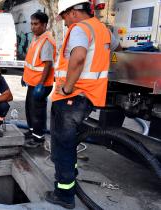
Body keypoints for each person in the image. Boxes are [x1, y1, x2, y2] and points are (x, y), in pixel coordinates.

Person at [44, 1, 122, 209]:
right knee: (68, 145)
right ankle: (69, 183)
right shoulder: (103, 30)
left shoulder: (80, 28)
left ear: (74, 12)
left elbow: (78, 57)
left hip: (71, 98)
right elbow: (118, 48)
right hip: (87, 98)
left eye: (65, 15)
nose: (65, 21)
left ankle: (64, 194)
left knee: (62, 146)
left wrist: (68, 88)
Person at [22, 12, 56, 148]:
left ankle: (38, 138)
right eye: (31, 23)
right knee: (30, 108)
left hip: (41, 84)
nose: (32, 27)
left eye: (36, 24)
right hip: (32, 82)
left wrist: (41, 84)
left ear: (44, 25)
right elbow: (31, 61)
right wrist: (24, 76)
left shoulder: (46, 41)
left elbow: (48, 64)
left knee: (38, 111)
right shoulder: (36, 38)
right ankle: (32, 131)